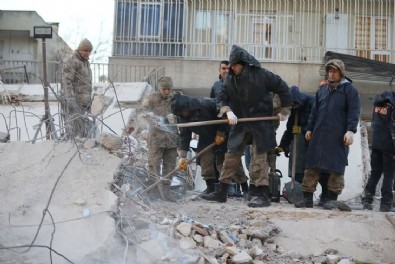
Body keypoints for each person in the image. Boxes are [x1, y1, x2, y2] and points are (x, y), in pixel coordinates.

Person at [201, 45, 293, 207]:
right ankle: (221, 191)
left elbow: (283, 87)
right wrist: (227, 111)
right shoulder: (229, 78)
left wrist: (283, 111)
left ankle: (260, 193)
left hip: (261, 123)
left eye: (235, 65)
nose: (232, 68)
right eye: (231, 65)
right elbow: (221, 98)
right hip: (241, 122)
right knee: (231, 155)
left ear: (244, 63)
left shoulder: (262, 75)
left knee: (259, 158)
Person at [295, 59, 361, 210]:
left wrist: (351, 130)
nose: (331, 74)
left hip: (338, 136)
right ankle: (307, 199)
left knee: (336, 168)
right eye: (329, 71)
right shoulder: (322, 90)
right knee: (312, 166)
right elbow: (314, 112)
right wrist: (310, 128)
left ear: (341, 73)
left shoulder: (350, 90)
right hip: (318, 134)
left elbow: (354, 112)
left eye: (334, 71)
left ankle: (331, 199)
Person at [170, 93, 249, 196]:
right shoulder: (181, 117)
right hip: (205, 137)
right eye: (180, 113)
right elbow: (184, 136)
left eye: (183, 111)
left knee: (231, 162)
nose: (183, 114)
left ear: (188, 106)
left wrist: (220, 133)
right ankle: (210, 188)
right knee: (205, 160)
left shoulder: (205, 105)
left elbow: (223, 117)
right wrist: (182, 156)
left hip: (224, 133)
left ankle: (245, 188)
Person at [276, 86, 329, 205]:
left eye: (294, 104)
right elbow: (290, 129)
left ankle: (326, 196)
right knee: (301, 171)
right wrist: (282, 146)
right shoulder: (295, 108)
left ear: (298, 100)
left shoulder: (313, 102)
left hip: (317, 143)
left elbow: (318, 124)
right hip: (302, 146)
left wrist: (302, 129)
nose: (292, 107)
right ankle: (304, 197)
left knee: (319, 171)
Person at [141, 76, 178, 201]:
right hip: (157, 139)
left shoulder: (176, 98)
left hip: (172, 139)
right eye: (164, 89)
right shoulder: (152, 99)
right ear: (159, 88)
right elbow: (142, 114)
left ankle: (167, 193)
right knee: (154, 165)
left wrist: (175, 118)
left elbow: (184, 114)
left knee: (170, 167)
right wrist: (148, 121)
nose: (167, 92)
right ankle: (154, 193)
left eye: (169, 89)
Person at [361, 91, 395, 212]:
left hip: (376, 144)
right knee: (389, 175)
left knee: (375, 173)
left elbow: (374, 124)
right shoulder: (392, 105)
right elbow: (393, 127)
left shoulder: (378, 104)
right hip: (389, 146)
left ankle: (367, 200)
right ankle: (386, 204)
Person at [61, 38, 95, 139]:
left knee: (83, 130)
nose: (87, 53)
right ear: (80, 50)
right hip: (75, 102)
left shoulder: (85, 63)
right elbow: (66, 82)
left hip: (84, 103)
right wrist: (70, 99)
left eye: (89, 51)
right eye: (85, 50)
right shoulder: (72, 61)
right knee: (74, 130)